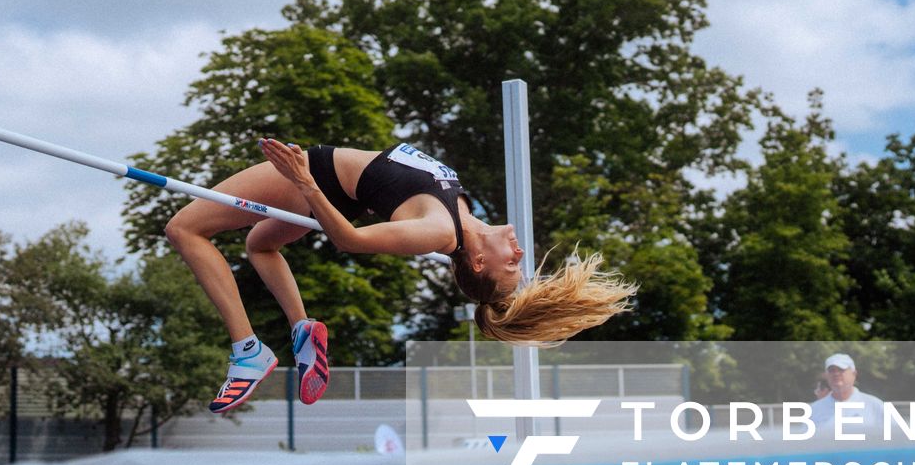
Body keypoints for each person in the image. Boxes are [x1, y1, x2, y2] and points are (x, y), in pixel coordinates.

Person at [164, 138, 634, 413]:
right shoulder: (463, 217)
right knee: (259, 245)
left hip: (319, 175)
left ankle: (247, 350)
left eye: (511, 263)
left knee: (184, 228)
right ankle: (301, 330)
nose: (518, 251)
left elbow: (350, 239)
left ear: (476, 263)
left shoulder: (437, 229)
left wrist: (304, 179)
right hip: (334, 187)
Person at [808, 354, 888, 437]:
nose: (836, 374)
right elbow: (804, 445)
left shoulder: (875, 405)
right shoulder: (814, 410)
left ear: (854, 374)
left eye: (841, 369)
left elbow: (897, 438)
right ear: (826, 375)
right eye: (831, 370)